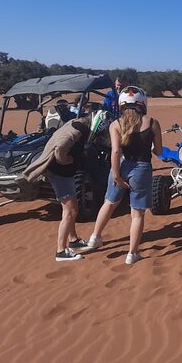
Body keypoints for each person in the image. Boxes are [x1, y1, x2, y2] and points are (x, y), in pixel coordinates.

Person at [86, 86, 162, 265]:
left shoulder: (115, 124)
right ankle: (132, 253)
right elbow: (158, 151)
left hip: (120, 166)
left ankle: (94, 237)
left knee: (109, 202)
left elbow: (115, 151)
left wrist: (117, 176)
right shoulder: (152, 123)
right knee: (137, 214)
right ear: (142, 103)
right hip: (142, 168)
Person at [23, 111, 110, 261]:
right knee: (70, 210)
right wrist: (64, 159)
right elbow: (61, 147)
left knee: (72, 208)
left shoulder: (78, 124)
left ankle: (73, 240)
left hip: (64, 173)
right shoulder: (79, 129)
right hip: (59, 172)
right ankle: (61, 251)